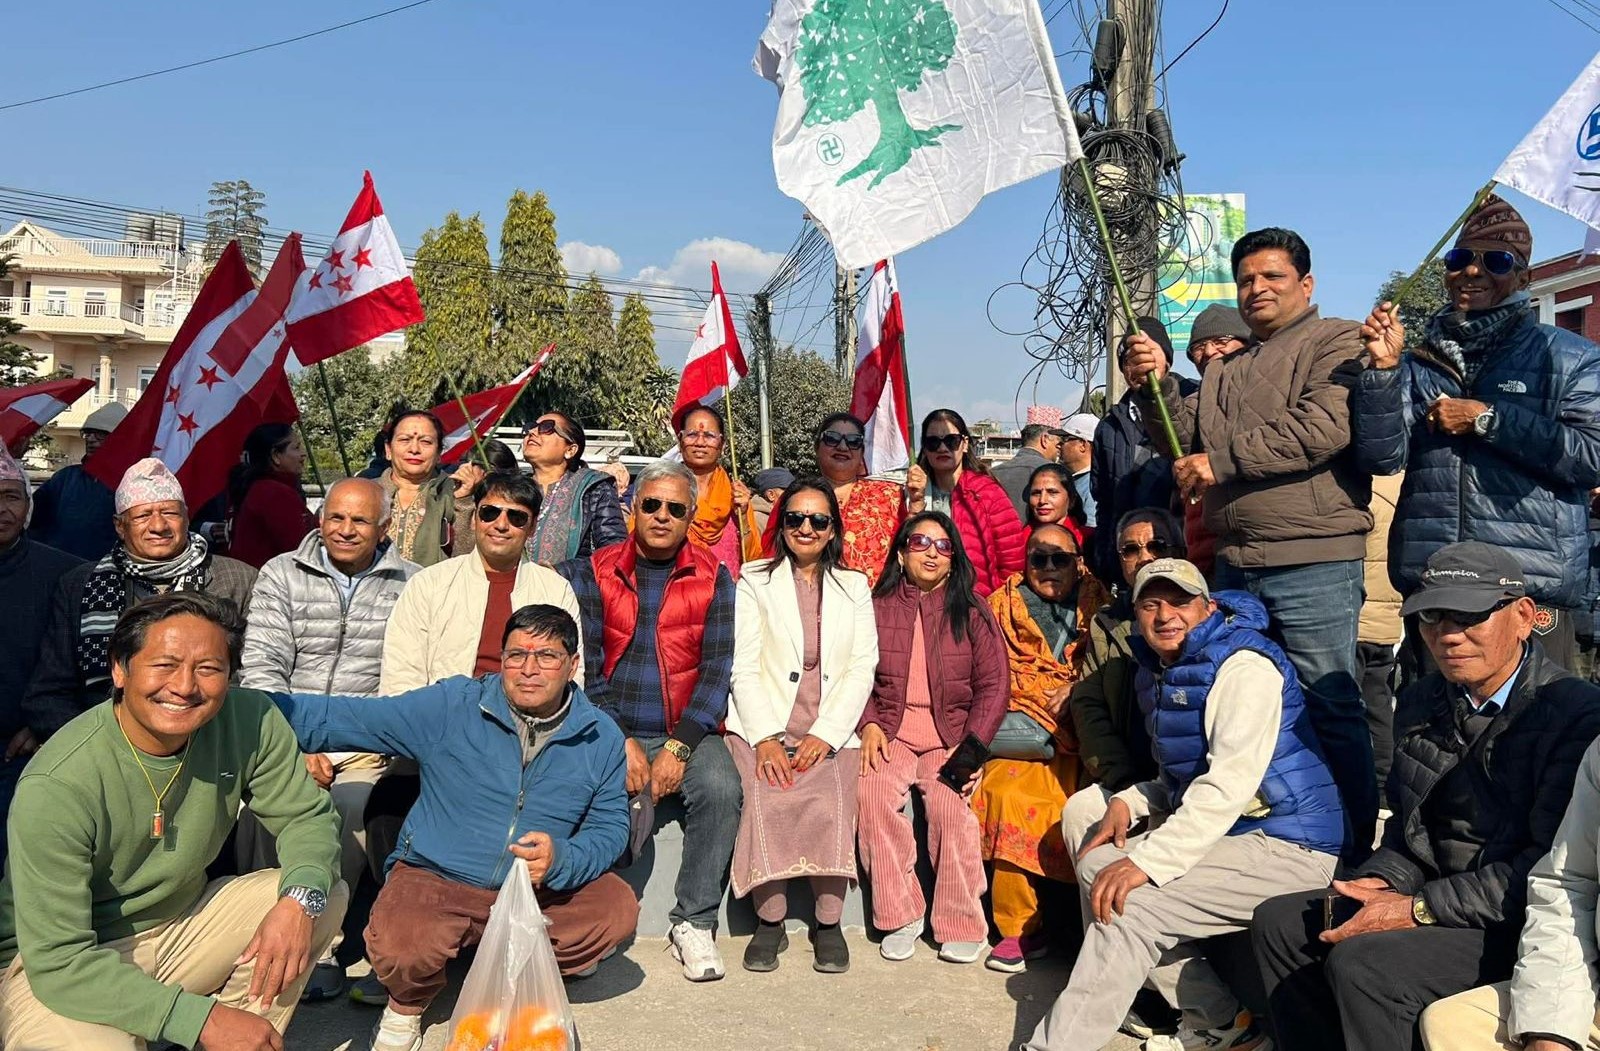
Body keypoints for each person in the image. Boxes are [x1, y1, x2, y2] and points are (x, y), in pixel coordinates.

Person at [1251, 542, 1600, 1051]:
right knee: (1282, 923)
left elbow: (1548, 868)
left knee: (1366, 966)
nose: (1448, 634)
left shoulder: (1574, 714)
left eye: (1469, 615)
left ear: (1523, 617)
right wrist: (1379, 881)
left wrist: (1417, 908)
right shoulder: (1421, 699)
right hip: (1442, 896)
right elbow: (1410, 830)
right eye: (1432, 616)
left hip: (1517, 918)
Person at [272, 604, 638, 1051]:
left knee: (615, 908)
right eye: (516, 655)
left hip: (534, 889)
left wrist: (562, 859)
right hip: (440, 876)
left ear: (573, 664)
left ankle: (521, 967)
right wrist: (247, 711)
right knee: (401, 945)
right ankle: (406, 1005)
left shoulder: (600, 735)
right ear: (501, 659)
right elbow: (347, 718)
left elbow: (610, 825)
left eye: (546, 656)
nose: (528, 669)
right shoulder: (452, 706)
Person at [1123, 225, 1377, 858]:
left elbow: (1321, 427)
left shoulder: (1337, 340)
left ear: (1306, 284)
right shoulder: (1225, 370)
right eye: (1246, 280)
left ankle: (1352, 853)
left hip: (1312, 557)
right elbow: (1182, 440)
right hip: (1236, 562)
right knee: (1240, 704)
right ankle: (1276, 844)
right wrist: (1153, 386)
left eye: (1272, 276)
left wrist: (1221, 463)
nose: (1257, 288)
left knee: (1328, 702)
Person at [0, 592, 346, 1051]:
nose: (185, 686)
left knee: (317, 893)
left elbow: (306, 817)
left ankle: (244, 1035)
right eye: (164, 665)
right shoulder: (58, 782)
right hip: (62, 965)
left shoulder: (251, 719)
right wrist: (199, 1019)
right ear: (120, 669)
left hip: (178, 925)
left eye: (209, 668)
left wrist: (299, 903)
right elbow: (58, 960)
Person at [1024, 560, 1344, 1051]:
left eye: (1180, 602)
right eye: (1151, 604)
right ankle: (1221, 1023)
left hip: (1289, 843)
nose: (1165, 615)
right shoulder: (1163, 670)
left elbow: (1227, 785)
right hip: (1238, 832)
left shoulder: (1243, 666)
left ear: (1208, 607)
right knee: (1095, 862)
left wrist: (1147, 861)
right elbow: (1182, 779)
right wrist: (1129, 801)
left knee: (1127, 902)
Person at [1356, 194, 1600, 673]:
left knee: (1534, 717)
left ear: (1524, 277)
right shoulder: (1418, 361)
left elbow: (1593, 456)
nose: (1472, 271)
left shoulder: (1569, 356)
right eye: (1460, 258)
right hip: (1436, 579)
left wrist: (1490, 421)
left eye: (1497, 261)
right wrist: (1382, 371)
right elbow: (1380, 458)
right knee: (1429, 718)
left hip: (1528, 586)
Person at [557, 460, 741, 983]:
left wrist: (680, 746)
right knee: (583, 788)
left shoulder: (713, 576)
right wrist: (620, 740)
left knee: (722, 788)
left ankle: (694, 920)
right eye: (652, 505)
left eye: (675, 509)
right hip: (609, 723)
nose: (662, 516)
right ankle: (587, 926)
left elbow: (716, 671)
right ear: (632, 509)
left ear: (690, 517)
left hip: (685, 728)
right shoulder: (593, 572)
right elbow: (586, 669)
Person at [237, 476, 420, 1000]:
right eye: (335, 517)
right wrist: (293, 745)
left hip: (364, 741)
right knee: (261, 812)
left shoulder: (411, 583)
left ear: (384, 527)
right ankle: (256, 929)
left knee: (351, 809)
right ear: (320, 519)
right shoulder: (282, 572)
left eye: (360, 520)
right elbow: (262, 665)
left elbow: (404, 677)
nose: (345, 529)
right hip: (284, 733)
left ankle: (323, 944)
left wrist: (374, 740)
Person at [726, 478, 877, 974]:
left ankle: (828, 923)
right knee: (768, 795)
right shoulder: (754, 580)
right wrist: (766, 738)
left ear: (833, 529)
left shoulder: (854, 586)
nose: (806, 528)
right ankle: (769, 921)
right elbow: (744, 667)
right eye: (795, 518)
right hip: (764, 721)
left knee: (831, 803)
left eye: (818, 519)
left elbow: (862, 667)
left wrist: (826, 734)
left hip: (829, 724)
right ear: (782, 524)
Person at [857, 512, 1007, 964]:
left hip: (951, 736)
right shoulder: (875, 607)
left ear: (953, 558)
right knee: (872, 795)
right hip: (892, 731)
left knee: (947, 806)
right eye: (920, 542)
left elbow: (994, 685)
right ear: (902, 554)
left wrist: (972, 748)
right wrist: (868, 722)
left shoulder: (972, 609)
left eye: (943, 546)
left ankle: (962, 923)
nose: (931, 553)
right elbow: (852, 672)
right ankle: (901, 913)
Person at [23, 458, 258, 742]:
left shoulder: (238, 579)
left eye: (169, 513)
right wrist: (100, 743)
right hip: (104, 740)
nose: (158, 526)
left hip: (212, 739)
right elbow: (49, 692)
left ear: (187, 517)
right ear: (120, 526)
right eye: (143, 516)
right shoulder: (80, 584)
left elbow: (252, 678)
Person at [973, 524, 1107, 972]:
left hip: (1082, 736)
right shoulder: (1000, 607)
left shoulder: (1099, 604)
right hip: (1020, 738)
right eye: (1039, 558)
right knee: (1006, 797)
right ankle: (1018, 929)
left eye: (1060, 558)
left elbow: (1112, 666)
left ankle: (1078, 927)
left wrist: (1079, 690)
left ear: (1078, 563)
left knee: (1078, 809)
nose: (1049, 568)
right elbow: (985, 673)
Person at [1418, 735, 1600, 1051]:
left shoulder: (1568, 717)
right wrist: (1550, 1029)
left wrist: (1424, 907)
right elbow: (1569, 883)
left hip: (1493, 904)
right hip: (1582, 980)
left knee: (1367, 969)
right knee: (1450, 1024)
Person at [380, 470, 581, 693]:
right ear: (475, 519)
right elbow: (401, 675)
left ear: (532, 527)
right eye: (489, 513)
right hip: (443, 711)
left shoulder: (555, 589)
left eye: (516, 517)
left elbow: (570, 674)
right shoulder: (429, 584)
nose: (501, 524)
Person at [0, 446, 81, 861]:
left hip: (27, 754)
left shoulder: (65, 574)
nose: (2, 509)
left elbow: (81, 666)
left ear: (28, 506)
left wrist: (44, 722)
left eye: (12, 497)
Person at [1069, 508, 1182, 795]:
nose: (1145, 557)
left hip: (1193, 778)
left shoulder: (1201, 616)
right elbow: (1089, 708)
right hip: (1125, 777)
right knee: (1079, 811)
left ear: (1179, 551)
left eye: (1157, 546)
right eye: (1131, 550)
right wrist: (1121, 781)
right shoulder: (1106, 622)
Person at [1088, 316, 1202, 585]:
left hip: (1186, 555)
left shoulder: (1196, 401)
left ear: (1168, 360)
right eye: (1130, 357)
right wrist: (1108, 558)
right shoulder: (1109, 426)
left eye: (1149, 351)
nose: (1140, 361)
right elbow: (1104, 501)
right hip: (1132, 560)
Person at [906, 408, 1026, 597]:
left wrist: (995, 602)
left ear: (965, 444)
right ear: (925, 448)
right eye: (933, 442)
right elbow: (903, 550)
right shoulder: (912, 491)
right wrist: (915, 502)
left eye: (951, 441)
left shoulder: (987, 493)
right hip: (925, 600)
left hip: (977, 601)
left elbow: (1012, 560)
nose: (942, 448)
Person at [1177, 308, 1250, 581]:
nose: (1209, 352)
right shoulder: (1193, 405)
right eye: (1198, 347)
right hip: (1208, 554)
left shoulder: (1267, 393)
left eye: (1221, 341)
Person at [375, 408, 484, 567]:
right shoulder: (366, 491)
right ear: (388, 450)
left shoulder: (454, 492)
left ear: (439, 452)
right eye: (404, 440)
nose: (414, 449)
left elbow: (466, 558)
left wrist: (463, 501)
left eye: (425, 442)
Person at [813, 412, 906, 586]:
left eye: (853, 441)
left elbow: (913, 545)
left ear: (862, 451)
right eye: (832, 438)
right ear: (817, 447)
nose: (842, 447)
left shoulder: (891, 495)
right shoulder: (798, 498)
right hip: (812, 598)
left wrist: (916, 504)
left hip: (879, 599)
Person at [523, 410, 628, 564]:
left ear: (570, 450)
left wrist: (564, 571)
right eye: (531, 427)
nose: (532, 432)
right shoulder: (514, 487)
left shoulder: (594, 487)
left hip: (568, 580)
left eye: (546, 427)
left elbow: (613, 553)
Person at [26, 401, 125, 562]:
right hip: (56, 569)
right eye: (87, 433)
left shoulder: (129, 483)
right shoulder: (64, 478)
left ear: (120, 438)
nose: (90, 439)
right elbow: (29, 518)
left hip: (106, 572)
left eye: (100, 434)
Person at [674, 403, 761, 576]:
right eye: (692, 434)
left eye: (709, 436)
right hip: (676, 588)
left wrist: (743, 516)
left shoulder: (735, 495)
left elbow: (753, 561)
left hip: (728, 590)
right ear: (680, 440)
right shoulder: (663, 490)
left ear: (722, 445)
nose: (700, 442)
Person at [1360, 472, 1404, 799]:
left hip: (1358, 618)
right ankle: (1385, 787)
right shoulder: (1403, 485)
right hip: (1386, 621)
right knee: (1378, 705)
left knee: (1347, 707)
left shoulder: (1362, 490)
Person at [226, 422, 320, 570]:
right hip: (272, 580)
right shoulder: (273, 493)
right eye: (296, 448)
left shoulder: (259, 488)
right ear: (276, 456)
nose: (303, 454)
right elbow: (300, 550)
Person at [991, 423, 1067, 520]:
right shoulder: (1054, 472)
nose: (1060, 448)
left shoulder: (993, 472)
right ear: (1044, 440)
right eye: (1058, 444)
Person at [1024, 462, 1087, 546]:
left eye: (1052, 492)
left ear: (1071, 500)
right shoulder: (1017, 541)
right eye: (1036, 493)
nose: (1042, 500)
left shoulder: (1089, 539)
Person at [1059, 413, 1098, 529]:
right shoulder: (1075, 479)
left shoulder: (1093, 485)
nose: (1058, 445)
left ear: (1083, 445)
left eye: (1064, 439)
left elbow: (1090, 531)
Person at [748, 465, 795, 537]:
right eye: (788, 491)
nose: (793, 496)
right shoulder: (755, 520)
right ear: (771, 495)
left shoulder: (780, 516)